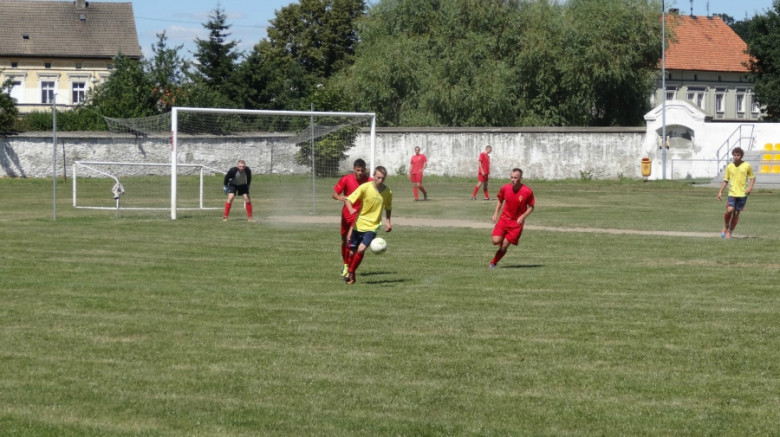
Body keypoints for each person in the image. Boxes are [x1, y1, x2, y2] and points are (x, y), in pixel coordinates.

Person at [343, 166, 393, 285]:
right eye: (378, 177)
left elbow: (388, 207)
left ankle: (350, 272)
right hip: (358, 225)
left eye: (383, 178)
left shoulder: (387, 192)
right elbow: (348, 200)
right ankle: (352, 277)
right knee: (351, 253)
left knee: (361, 249)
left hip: (373, 226)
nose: (380, 180)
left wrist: (388, 221)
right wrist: (350, 209)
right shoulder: (365, 187)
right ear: (374, 176)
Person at [333, 158, 372, 277]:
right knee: (344, 241)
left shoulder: (369, 181)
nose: (360, 173)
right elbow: (334, 193)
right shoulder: (346, 179)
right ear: (354, 169)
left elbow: (378, 188)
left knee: (350, 241)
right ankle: (345, 265)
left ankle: (350, 270)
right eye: (358, 170)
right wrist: (339, 197)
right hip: (346, 214)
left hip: (359, 216)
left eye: (362, 170)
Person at [489, 168, 535, 268]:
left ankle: (493, 262)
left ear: (521, 178)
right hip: (504, 219)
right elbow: (500, 200)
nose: (513, 180)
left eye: (515, 178)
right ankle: (500, 238)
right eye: (511, 177)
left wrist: (523, 216)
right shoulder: (505, 188)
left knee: (504, 246)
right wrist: (495, 213)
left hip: (516, 223)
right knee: (495, 241)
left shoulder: (527, 191)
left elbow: (531, 207)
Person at [717, 147, 755, 238]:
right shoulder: (730, 166)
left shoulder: (747, 165)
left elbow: (752, 177)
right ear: (732, 156)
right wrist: (720, 192)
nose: (736, 157)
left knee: (736, 214)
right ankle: (726, 226)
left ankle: (730, 232)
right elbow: (725, 180)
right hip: (732, 193)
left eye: (738, 155)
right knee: (729, 210)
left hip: (742, 194)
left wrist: (750, 187)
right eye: (734, 155)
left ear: (741, 156)